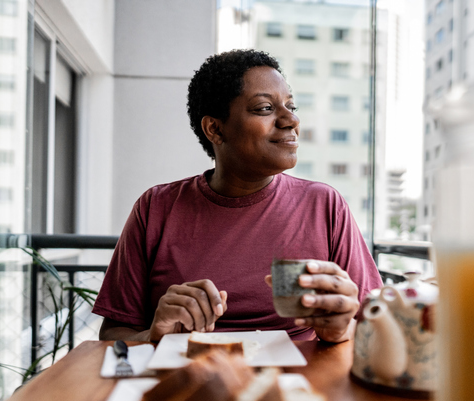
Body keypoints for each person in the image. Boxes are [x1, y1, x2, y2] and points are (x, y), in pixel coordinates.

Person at [94, 49, 382, 343]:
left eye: (291, 106)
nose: (290, 120)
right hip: (187, 381)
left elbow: (377, 325)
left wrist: (340, 329)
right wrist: (156, 334)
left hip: (299, 383)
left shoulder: (324, 205)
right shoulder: (156, 208)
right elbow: (112, 337)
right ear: (215, 129)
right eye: (265, 108)